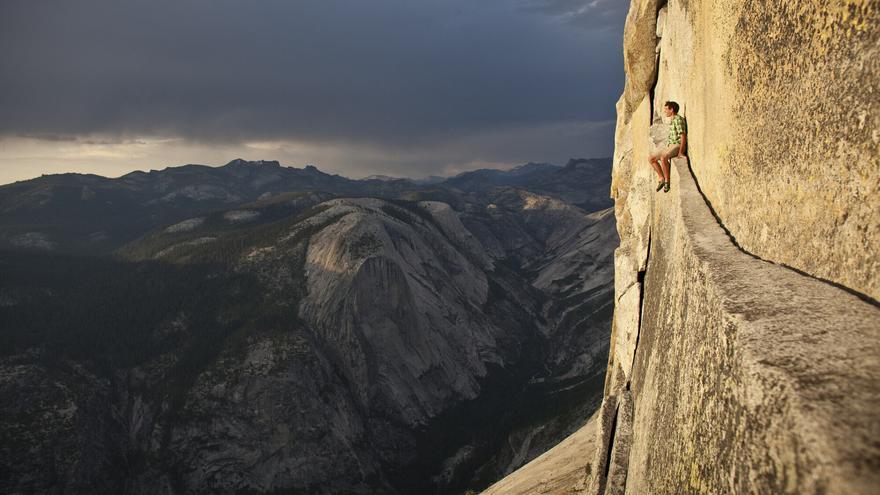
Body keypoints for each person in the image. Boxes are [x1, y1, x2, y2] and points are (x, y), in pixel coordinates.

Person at [648, 101, 687, 193]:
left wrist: (681, 152)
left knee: (664, 157)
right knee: (651, 158)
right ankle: (661, 178)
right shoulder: (673, 120)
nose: (665, 111)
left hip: (677, 145)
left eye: (666, 109)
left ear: (671, 110)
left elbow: (683, 136)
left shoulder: (678, 119)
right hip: (670, 145)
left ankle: (667, 181)